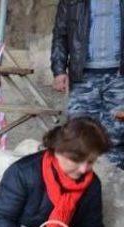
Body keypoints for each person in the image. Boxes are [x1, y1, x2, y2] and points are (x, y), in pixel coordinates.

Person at [51, 0, 124, 169]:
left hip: (119, 78)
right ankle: (79, 187)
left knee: (117, 135)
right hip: (83, 76)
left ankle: (113, 186)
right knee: (77, 134)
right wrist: (59, 70)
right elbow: (60, 34)